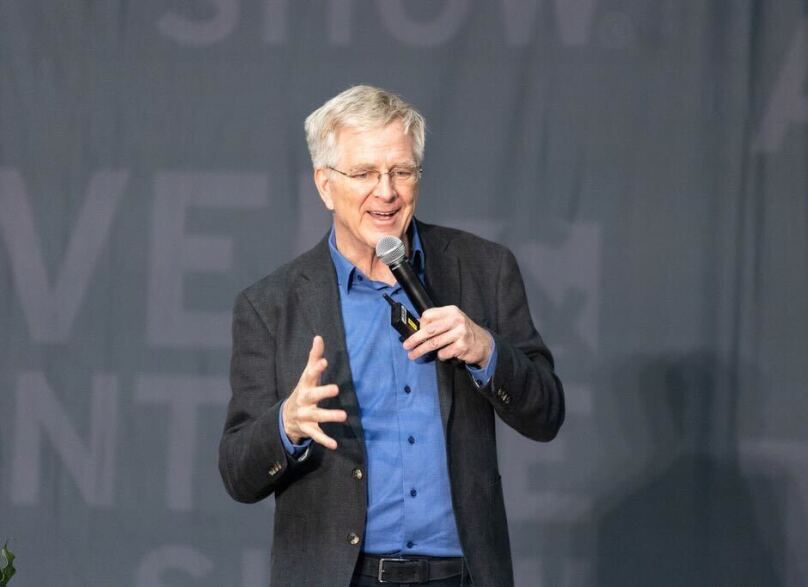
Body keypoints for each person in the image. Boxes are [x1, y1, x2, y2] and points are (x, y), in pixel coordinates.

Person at [218, 85, 564, 586]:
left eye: (401, 171)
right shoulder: (271, 304)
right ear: (324, 184)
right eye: (363, 173)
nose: (386, 191)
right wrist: (286, 425)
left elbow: (547, 414)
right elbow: (237, 472)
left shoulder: (484, 270)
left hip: (462, 575)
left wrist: (486, 350)